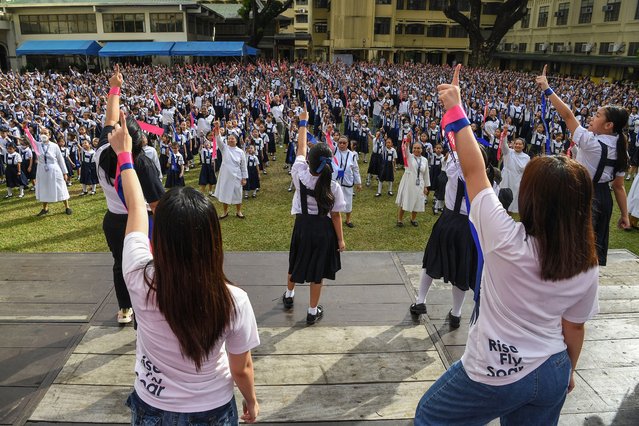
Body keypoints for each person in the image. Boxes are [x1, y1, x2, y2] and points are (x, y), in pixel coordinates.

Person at [414, 64, 599, 426]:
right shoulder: (586, 262)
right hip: (552, 369)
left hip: (493, 371)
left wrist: (455, 108)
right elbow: (574, 328)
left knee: (428, 417)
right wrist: (567, 374)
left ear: (531, 199)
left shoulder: (502, 238)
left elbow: (473, 172)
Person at [108, 110, 260, 424]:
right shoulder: (234, 300)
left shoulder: (137, 275)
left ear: (159, 237)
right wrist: (252, 402)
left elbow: (137, 207)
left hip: (152, 404)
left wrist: (124, 155)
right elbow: (241, 368)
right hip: (213, 407)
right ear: (213, 240)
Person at [536, 65, 630, 265]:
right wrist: (624, 215)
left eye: (597, 116)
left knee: (574, 245)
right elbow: (619, 186)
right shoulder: (622, 149)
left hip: (583, 193)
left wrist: (547, 88)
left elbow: (568, 116)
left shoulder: (591, 142)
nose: (592, 118)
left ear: (608, 125)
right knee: (593, 250)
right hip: (604, 200)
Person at [97, 65, 165, 325]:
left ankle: (125, 309)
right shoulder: (142, 165)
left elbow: (109, 119)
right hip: (140, 223)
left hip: (113, 221)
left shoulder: (101, 152)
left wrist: (116, 87)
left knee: (120, 265)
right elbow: (158, 205)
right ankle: (146, 312)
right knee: (148, 266)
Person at [283, 106, 346, 325]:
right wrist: (340, 239)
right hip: (323, 231)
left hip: (302, 227)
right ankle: (311, 311)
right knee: (317, 271)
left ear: (309, 161)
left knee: (296, 261)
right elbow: (336, 216)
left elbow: (301, 147)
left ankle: (289, 295)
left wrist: (303, 122)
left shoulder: (299, 174)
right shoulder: (333, 186)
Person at [34, 132, 72, 216]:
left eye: (46, 133)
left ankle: (67, 207)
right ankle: (45, 208)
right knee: (44, 187)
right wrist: (25, 129)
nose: (43, 134)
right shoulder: (38, 145)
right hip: (42, 169)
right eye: (42, 133)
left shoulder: (54, 146)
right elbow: (29, 138)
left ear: (49, 135)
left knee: (60, 186)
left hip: (54, 169)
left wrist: (65, 172)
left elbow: (60, 159)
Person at [213, 127, 248, 219]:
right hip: (226, 175)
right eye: (229, 138)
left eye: (233, 138)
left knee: (238, 193)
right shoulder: (224, 148)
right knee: (225, 193)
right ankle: (225, 212)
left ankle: (238, 211)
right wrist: (217, 130)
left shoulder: (240, 152)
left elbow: (243, 165)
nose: (231, 140)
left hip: (237, 175)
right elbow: (219, 140)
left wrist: (244, 178)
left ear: (236, 141)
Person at [396, 139, 430, 227]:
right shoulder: (409, 157)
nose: (416, 150)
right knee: (405, 200)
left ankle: (413, 219)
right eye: (414, 148)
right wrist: (407, 141)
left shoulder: (425, 160)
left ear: (422, 149)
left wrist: (426, 186)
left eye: (418, 148)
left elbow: (426, 174)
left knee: (417, 201)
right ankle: (399, 220)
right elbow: (405, 150)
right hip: (409, 182)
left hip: (419, 183)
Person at [332, 135, 362, 228]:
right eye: (340, 142)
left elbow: (355, 169)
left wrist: (358, 182)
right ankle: (334, 218)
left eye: (344, 143)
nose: (341, 145)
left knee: (348, 201)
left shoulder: (352, 155)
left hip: (348, 180)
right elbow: (328, 142)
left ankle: (348, 219)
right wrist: (328, 133)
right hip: (336, 180)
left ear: (348, 144)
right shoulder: (335, 150)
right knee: (335, 200)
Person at [499, 137, 530, 214]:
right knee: (502, 199)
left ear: (523, 146)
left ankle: (509, 215)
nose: (517, 145)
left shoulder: (526, 157)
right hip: (506, 179)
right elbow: (503, 145)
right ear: (513, 145)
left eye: (520, 144)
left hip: (517, 181)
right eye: (516, 144)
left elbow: (526, 171)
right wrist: (505, 134)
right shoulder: (508, 152)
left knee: (513, 199)